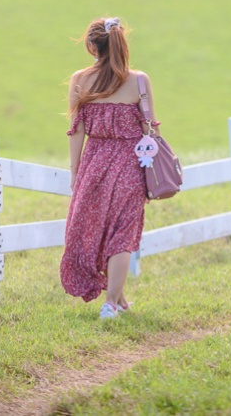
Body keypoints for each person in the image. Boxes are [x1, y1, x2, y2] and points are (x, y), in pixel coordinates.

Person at [60, 16, 159, 320]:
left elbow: (77, 131)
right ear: (120, 43)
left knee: (96, 230)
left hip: (95, 163)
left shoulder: (80, 79)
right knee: (122, 233)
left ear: (92, 46)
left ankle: (113, 300)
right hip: (131, 164)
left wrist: (76, 172)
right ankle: (114, 303)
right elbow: (150, 129)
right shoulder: (139, 81)